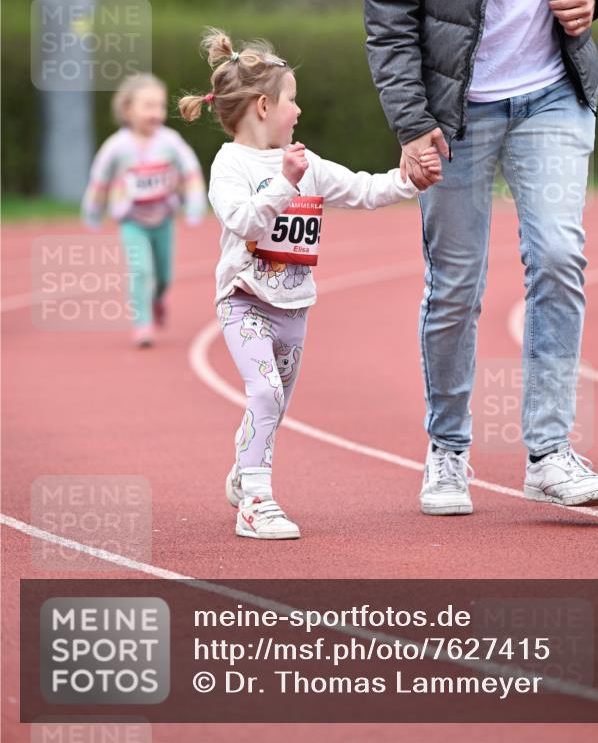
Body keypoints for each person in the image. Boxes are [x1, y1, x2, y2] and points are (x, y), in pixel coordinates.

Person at [364, 0, 598, 515]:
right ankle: (447, 450)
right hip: (456, 108)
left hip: (552, 90)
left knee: (558, 257)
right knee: (455, 286)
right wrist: (412, 122)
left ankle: (548, 451)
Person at [179, 29, 441, 540]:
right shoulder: (230, 164)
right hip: (244, 302)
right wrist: (285, 182)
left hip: (293, 308)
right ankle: (256, 502)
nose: (299, 111)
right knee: (264, 391)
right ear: (263, 106)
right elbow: (244, 221)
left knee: (274, 404)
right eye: (291, 100)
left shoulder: (306, 162)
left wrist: (408, 180)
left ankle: (244, 470)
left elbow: (362, 189)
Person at [82, 73, 207, 347]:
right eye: (148, 106)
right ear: (128, 110)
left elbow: (190, 171)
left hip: (163, 219)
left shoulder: (170, 141)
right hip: (132, 221)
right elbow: (100, 179)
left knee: (164, 276)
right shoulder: (116, 147)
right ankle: (142, 324)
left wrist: (195, 205)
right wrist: (93, 211)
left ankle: (158, 297)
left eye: (160, 106)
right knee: (140, 270)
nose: (156, 113)